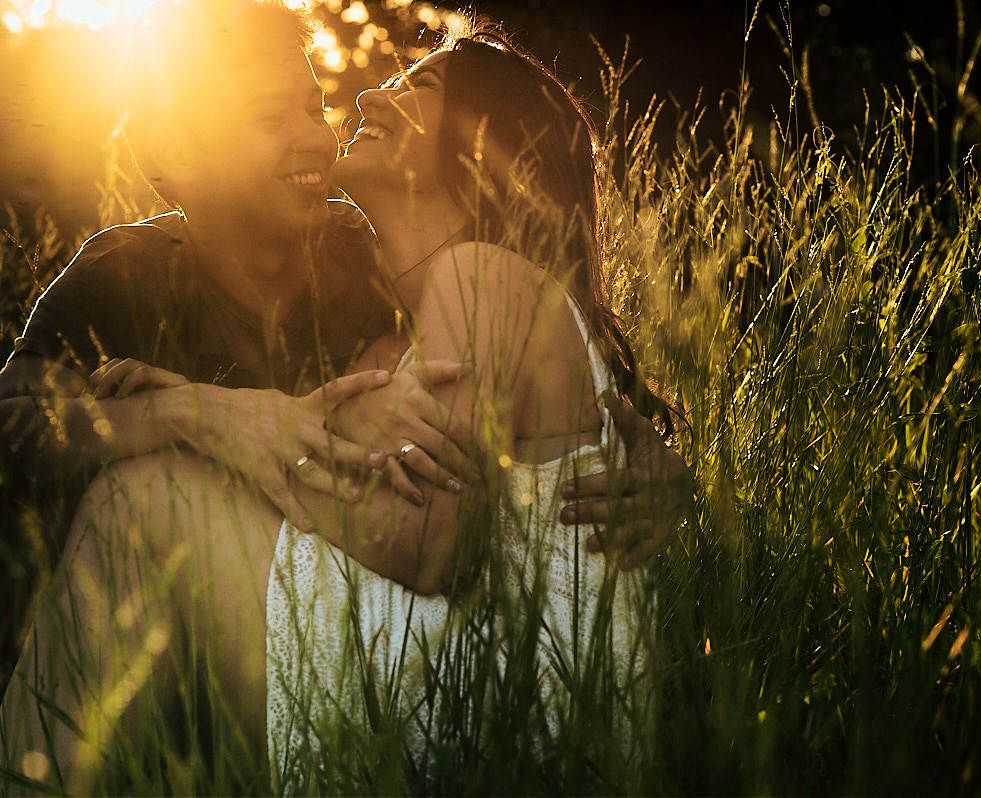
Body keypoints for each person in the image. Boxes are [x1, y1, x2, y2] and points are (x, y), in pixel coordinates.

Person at [0, 1, 688, 793]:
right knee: (147, 504)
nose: (323, 128)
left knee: (146, 500)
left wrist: (658, 460)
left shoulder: (403, 274)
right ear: (171, 152)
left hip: (475, 676)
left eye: (312, 104)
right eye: (270, 116)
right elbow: (12, 418)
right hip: (332, 641)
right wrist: (195, 416)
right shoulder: (123, 274)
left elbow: (535, 434)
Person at [265, 28, 677, 790]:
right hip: (463, 685)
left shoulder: (482, 276)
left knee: (150, 503)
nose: (366, 95)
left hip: (513, 725)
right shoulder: (400, 333)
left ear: (481, 144)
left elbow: (431, 545)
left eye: (418, 86)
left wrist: (243, 447)